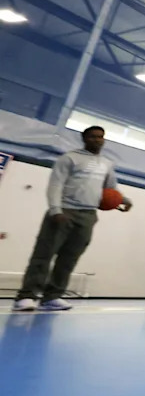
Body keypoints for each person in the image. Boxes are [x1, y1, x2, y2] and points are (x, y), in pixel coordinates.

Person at [12, 126, 132, 312]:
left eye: (100, 137)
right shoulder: (69, 158)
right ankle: (27, 296)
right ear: (84, 139)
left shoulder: (107, 164)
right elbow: (55, 184)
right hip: (64, 211)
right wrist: (55, 210)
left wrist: (125, 200)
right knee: (44, 255)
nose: (97, 140)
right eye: (93, 137)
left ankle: (52, 297)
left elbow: (110, 190)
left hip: (88, 215)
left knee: (69, 258)